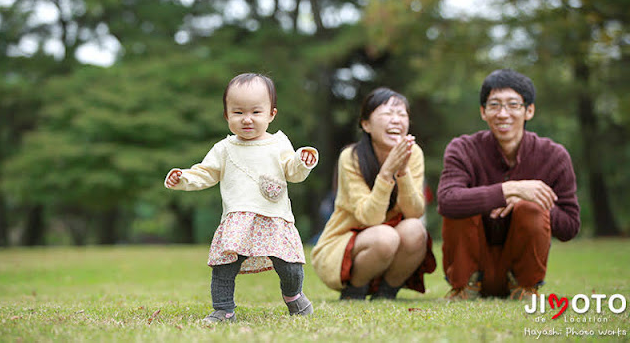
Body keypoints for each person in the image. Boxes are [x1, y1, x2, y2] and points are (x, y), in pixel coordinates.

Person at [165, 73, 318, 322]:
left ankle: (294, 297)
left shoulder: (278, 143)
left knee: (289, 265)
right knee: (224, 266)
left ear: (271, 114)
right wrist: (183, 178)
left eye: (256, 112)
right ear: (227, 115)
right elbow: (205, 173)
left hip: (274, 217)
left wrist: (303, 161)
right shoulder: (224, 148)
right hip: (238, 219)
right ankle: (223, 309)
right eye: (238, 113)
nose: (247, 119)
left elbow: (294, 172)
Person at [437, 69, 580, 301]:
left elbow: (570, 227)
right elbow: (446, 201)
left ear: (529, 110)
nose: (503, 114)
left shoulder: (554, 156)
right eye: (494, 105)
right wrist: (509, 189)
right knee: (461, 202)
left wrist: (530, 200)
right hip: (470, 273)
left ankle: (524, 288)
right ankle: (466, 287)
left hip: (521, 276)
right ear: (483, 112)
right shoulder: (462, 148)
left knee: (531, 207)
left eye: (513, 105)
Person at [311, 87, 436, 300]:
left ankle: (386, 293)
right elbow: (370, 218)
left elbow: (415, 212)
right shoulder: (351, 157)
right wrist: (387, 174)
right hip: (346, 244)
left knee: (416, 229)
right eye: (387, 114)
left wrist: (403, 171)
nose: (396, 120)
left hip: (389, 244)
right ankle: (354, 291)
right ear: (366, 124)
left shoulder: (413, 153)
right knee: (384, 237)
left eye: (402, 114)